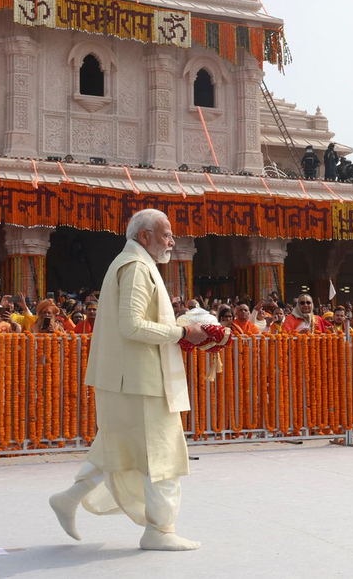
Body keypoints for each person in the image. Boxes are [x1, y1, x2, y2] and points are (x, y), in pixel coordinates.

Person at [50, 209, 209, 552]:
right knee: (161, 455)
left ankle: (68, 498)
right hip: (140, 380)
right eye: (166, 234)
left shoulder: (132, 263)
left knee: (118, 446)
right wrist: (183, 332)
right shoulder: (136, 267)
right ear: (144, 237)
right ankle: (160, 530)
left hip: (128, 378)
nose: (172, 240)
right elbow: (132, 326)